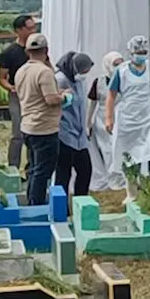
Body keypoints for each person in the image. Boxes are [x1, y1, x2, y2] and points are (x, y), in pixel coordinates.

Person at [107, 35, 150, 194]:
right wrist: (109, 117)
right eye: (138, 51)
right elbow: (111, 95)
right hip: (128, 118)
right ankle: (132, 191)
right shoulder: (122, 71)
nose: (141, 54)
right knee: (129, 155)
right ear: (131, 52)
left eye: (144, 51)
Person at [14, 34, 63, 206]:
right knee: (43, 171)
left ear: (27, 51)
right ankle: (37, 204)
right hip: (45, 127)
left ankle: (31, 200)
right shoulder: (44, 72)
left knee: (34, 169)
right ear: (46, 51)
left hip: (28, 125)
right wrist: (65, 97)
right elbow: (51, 100)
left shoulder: (21, 71)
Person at [0, 15, 37, 173]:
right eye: (29, 28)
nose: (33, 31)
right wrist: (10, 88)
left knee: (34, 132)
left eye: (34, 27)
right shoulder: (9, 52)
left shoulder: (36, 48)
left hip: (35, 96)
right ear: (19, 30)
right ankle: (13, 168)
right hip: (17, 96)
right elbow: (1, 78)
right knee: (17, 133)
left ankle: (32, 168)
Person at [53, 51, 95, 199]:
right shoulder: (59, 80)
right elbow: (56, 105)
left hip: (79, 135)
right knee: (64, 173)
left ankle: (81, 202)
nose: (84, 75)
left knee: (85, 170)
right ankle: (62, 208)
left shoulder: (79, 81)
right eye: (83, 71)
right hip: (64, 133)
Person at [86, 52, 126, 191]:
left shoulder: (126, 79)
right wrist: (88, 122)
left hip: (121, 118)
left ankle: (120, 178)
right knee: (107, 150)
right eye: (116, 64)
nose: (119, 66)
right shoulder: (99, 82)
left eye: (121, 62)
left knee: (119, 149)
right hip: (102, 120)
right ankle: (109, 177)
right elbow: (92, 102)